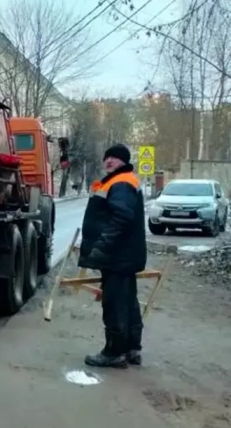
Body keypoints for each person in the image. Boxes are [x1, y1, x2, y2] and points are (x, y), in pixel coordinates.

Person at [79, 143, 147, 368]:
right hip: (124, 255)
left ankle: (114, 352)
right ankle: (131, 349)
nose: (109, 161)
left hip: (118, 256)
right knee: (127, 301)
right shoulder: (119, 181)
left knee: (114, 303)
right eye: (107, 157)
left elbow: (121, 219)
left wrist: (102, 247)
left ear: (124, 162)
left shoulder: (121, 183)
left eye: (115, 158)